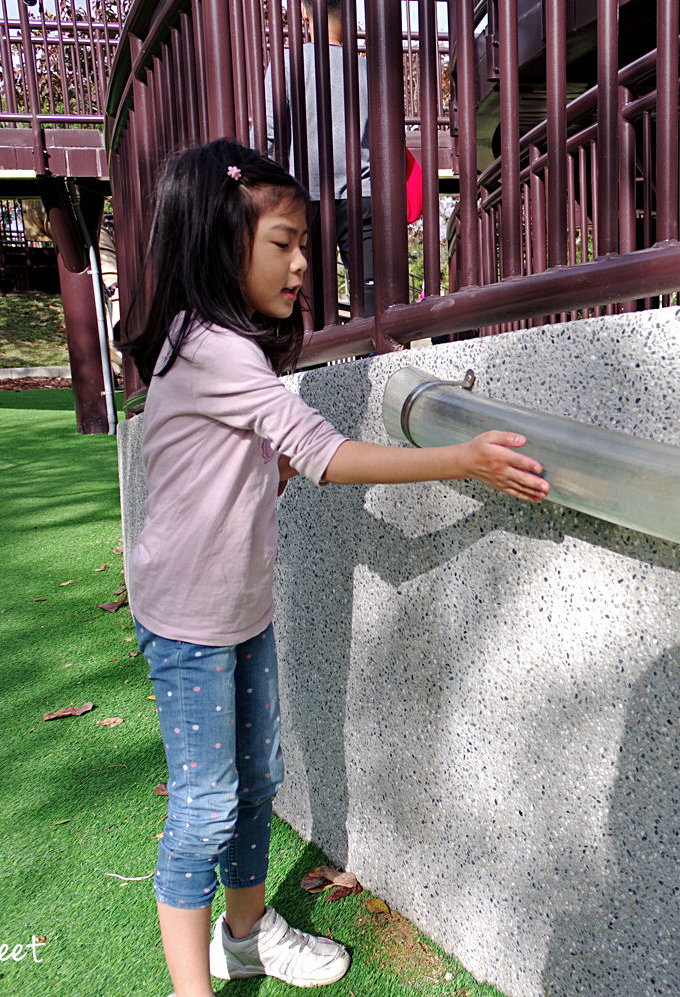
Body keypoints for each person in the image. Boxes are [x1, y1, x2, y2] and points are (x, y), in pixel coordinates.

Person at [120, 138, 549, 997]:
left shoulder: (212, 346)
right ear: (217, 241)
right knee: (205, 805)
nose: (302, 262)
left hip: (236, 608)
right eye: (283, 242)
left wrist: (256, 472)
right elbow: (325, 454)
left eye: (303, 242)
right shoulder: (211, 347)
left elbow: (246, 457)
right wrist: (462, 458)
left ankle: (244, 933)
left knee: (257, 780)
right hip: (189, 624)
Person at [266, 0, 375, 326]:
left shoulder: (288, 63)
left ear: (303, 14)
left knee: (307, 303)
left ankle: (310, 369)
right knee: (373, 297)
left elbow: (267, 135)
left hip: (303, 198)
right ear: (350, 14)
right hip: (362, 194)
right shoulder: (368, 69)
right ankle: (379, 364)